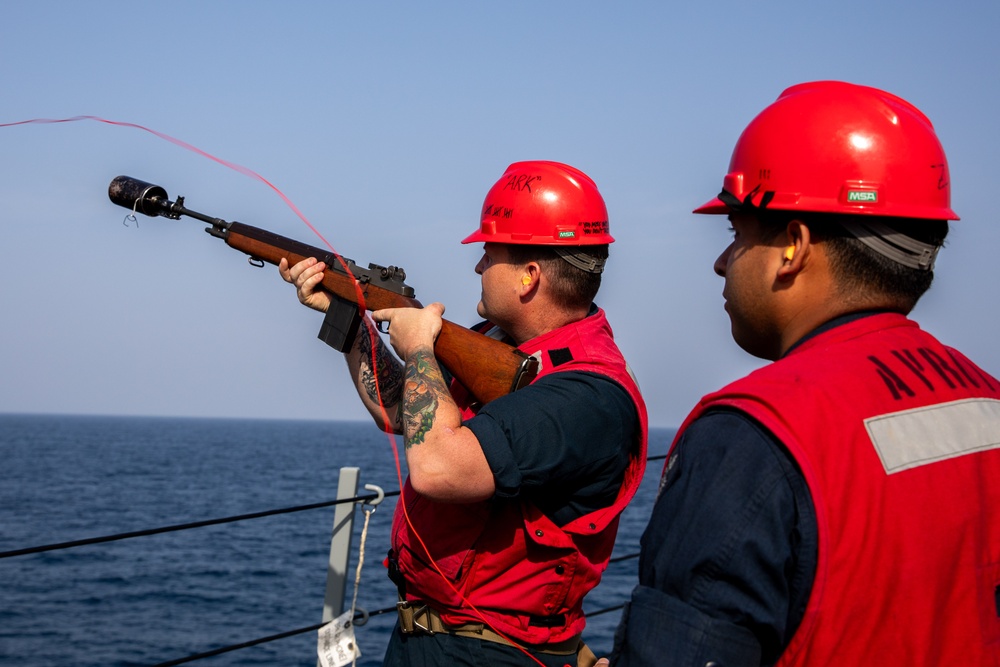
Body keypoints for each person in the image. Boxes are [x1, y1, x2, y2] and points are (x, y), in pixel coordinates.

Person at [606, 81, 1000, 666]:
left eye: (736, 233)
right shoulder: (984, 398)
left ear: (794, 245)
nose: (721, 261)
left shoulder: (751, 436)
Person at [280, 160, 648, 667]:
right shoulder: (498, 347)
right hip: (429, 636)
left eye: (488, 253)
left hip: (493, 653)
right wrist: (347, 319)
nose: (477, 266)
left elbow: (435, 467)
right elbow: (402, 414)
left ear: (528, 276)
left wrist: (420, 351)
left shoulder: (585, 395)